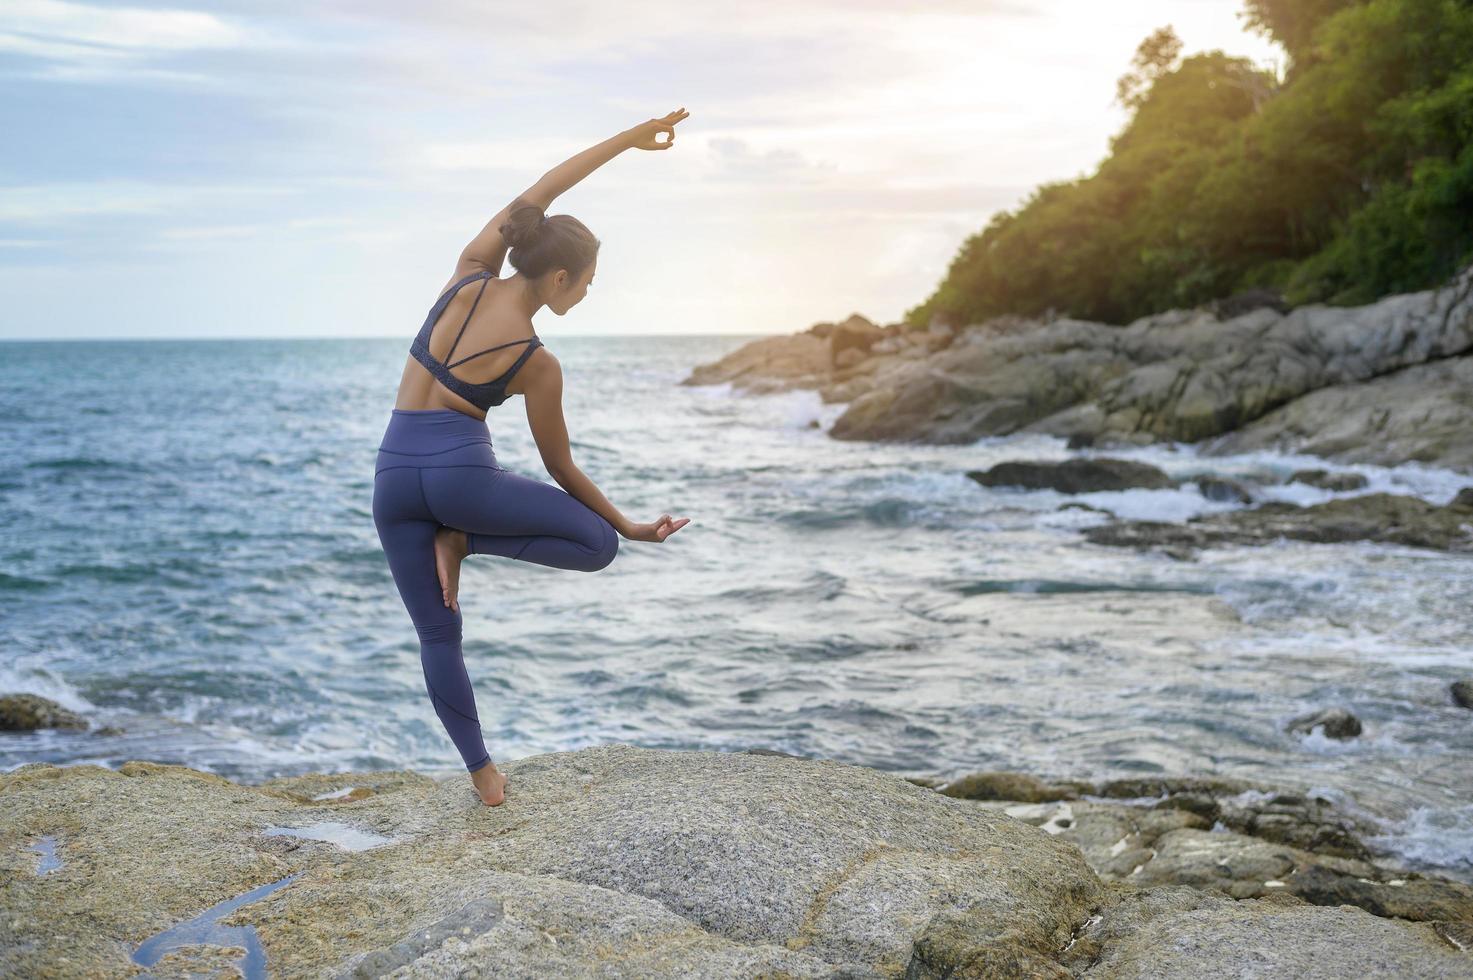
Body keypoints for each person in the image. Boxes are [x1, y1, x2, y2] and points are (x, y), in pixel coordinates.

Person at [373, 109, 692, 807]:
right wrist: (630, 526)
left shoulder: (465, 272)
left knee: (437, 635)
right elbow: (561, 470)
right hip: (460, 478)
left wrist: (628, 139)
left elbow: (545, 187)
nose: (586, 291)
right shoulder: (535, 361)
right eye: (585, 281)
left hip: (392, 474)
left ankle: (484, 779)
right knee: (595, 544)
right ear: (556, 279)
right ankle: (463, 540)